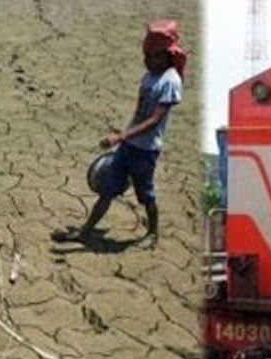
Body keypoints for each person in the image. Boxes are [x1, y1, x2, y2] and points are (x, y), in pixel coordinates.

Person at [51, 19, 186, 250]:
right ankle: (84, 233)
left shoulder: (171, 81)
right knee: (107, 191)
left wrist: (121, 136)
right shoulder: (149, 77)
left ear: (166, 55)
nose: (148, 61)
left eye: (153, 56)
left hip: (146, 150)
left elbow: (154, 120)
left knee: (146, 195)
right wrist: (125, 138)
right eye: (146, 56)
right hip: (128, 146)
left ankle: (153, 232)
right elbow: (139, 114)